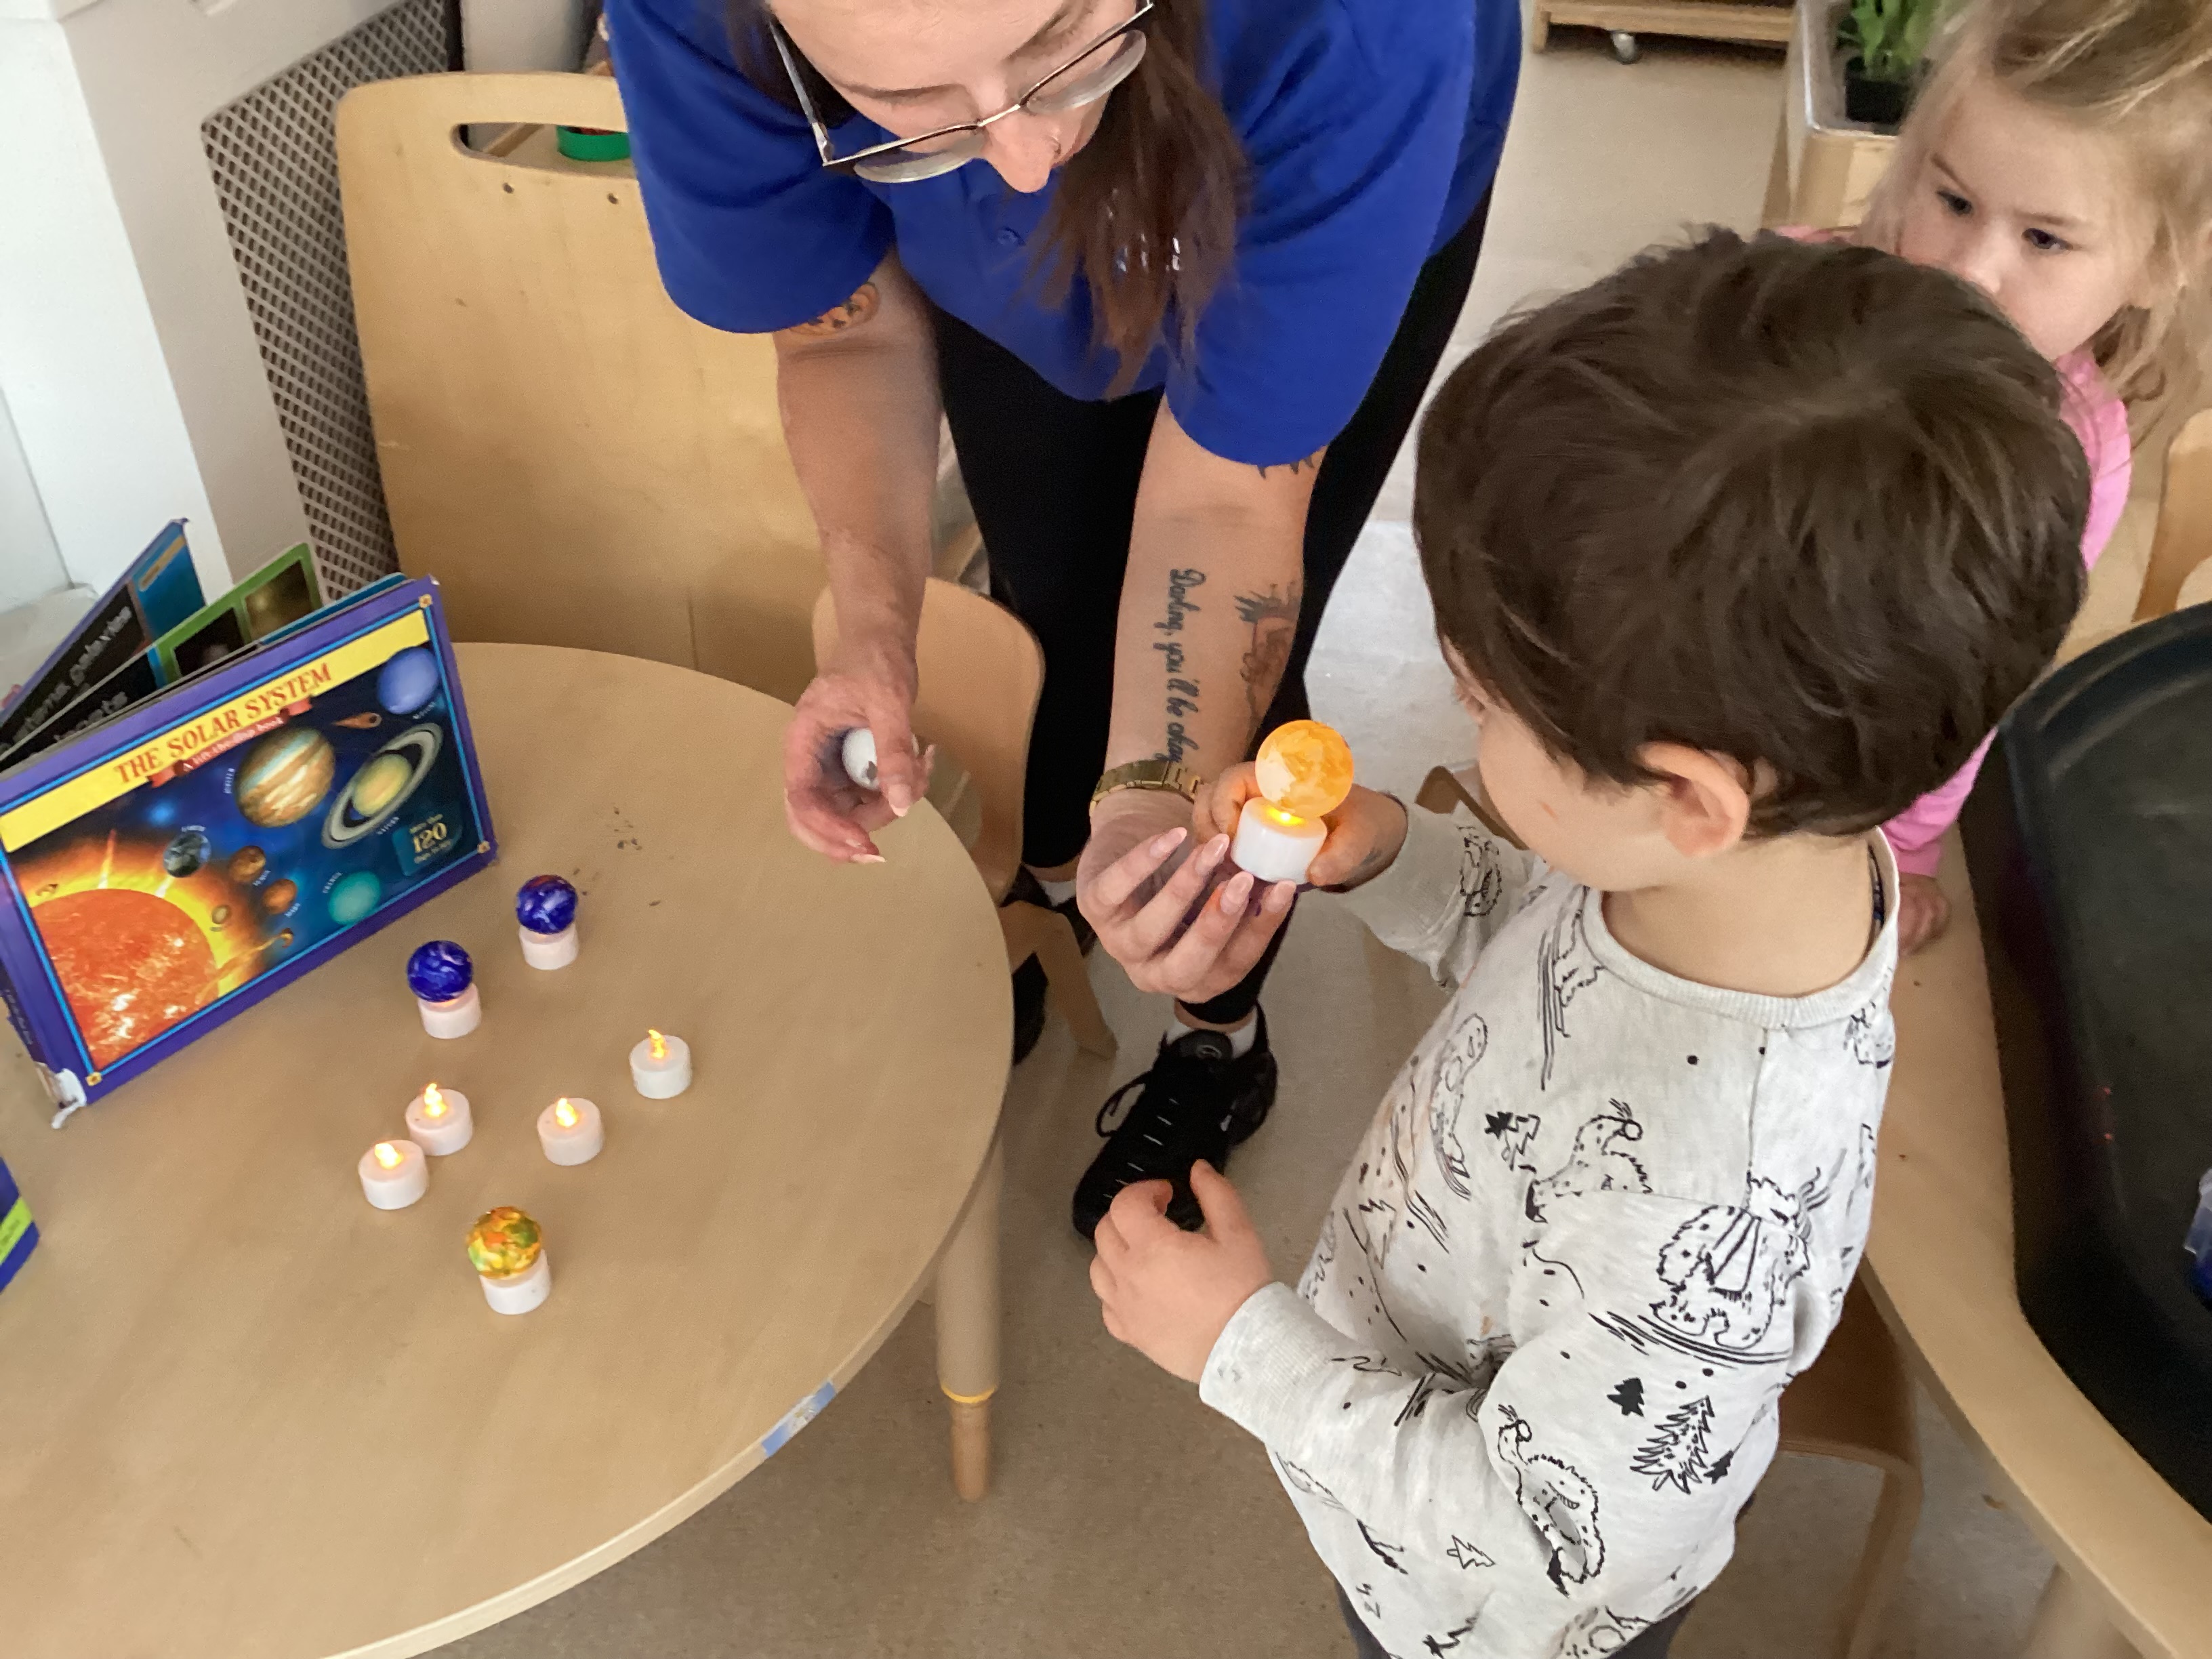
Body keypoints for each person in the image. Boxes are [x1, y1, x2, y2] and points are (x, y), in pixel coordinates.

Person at [1085, 230, 2090, 1657]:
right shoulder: (1762, 866)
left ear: (1687, 798)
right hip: (1412, 1379)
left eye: (1484, 705)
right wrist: (1390, 853)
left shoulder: (1699, 1189)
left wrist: (1238, 1345)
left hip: (1476, 1609)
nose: (1465, 728)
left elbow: (1537, 1543)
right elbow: (1554, 955)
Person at [604, 0, 1521, 1236]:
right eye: (909, 112)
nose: (1030, 160)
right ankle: (1055, 896)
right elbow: (844, 335)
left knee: (1243, 704)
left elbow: (1227, 501)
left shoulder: (1364, 31)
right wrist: (876, 635)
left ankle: (1216, 1037)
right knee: (1052, 598)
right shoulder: (686, 20)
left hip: (1332, 154)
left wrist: (1155, 797)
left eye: (1063, 44)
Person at [1851, 0, 2212, 954]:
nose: (1970, 271)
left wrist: (1903, 848)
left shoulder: (2077, 459)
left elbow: (1974, 680)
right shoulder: (1800, 304)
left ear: (2161, 264)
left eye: (2044, 240)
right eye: (1953, 202)